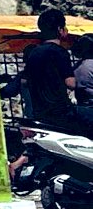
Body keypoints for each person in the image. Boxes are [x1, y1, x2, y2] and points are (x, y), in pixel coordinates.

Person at [22, 8, 93, 138]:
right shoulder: (60, 52)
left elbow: (25, 81)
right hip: (61, 111)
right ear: (60, 29)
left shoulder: (34, 53)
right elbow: (71, 83)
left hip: (40, 111)